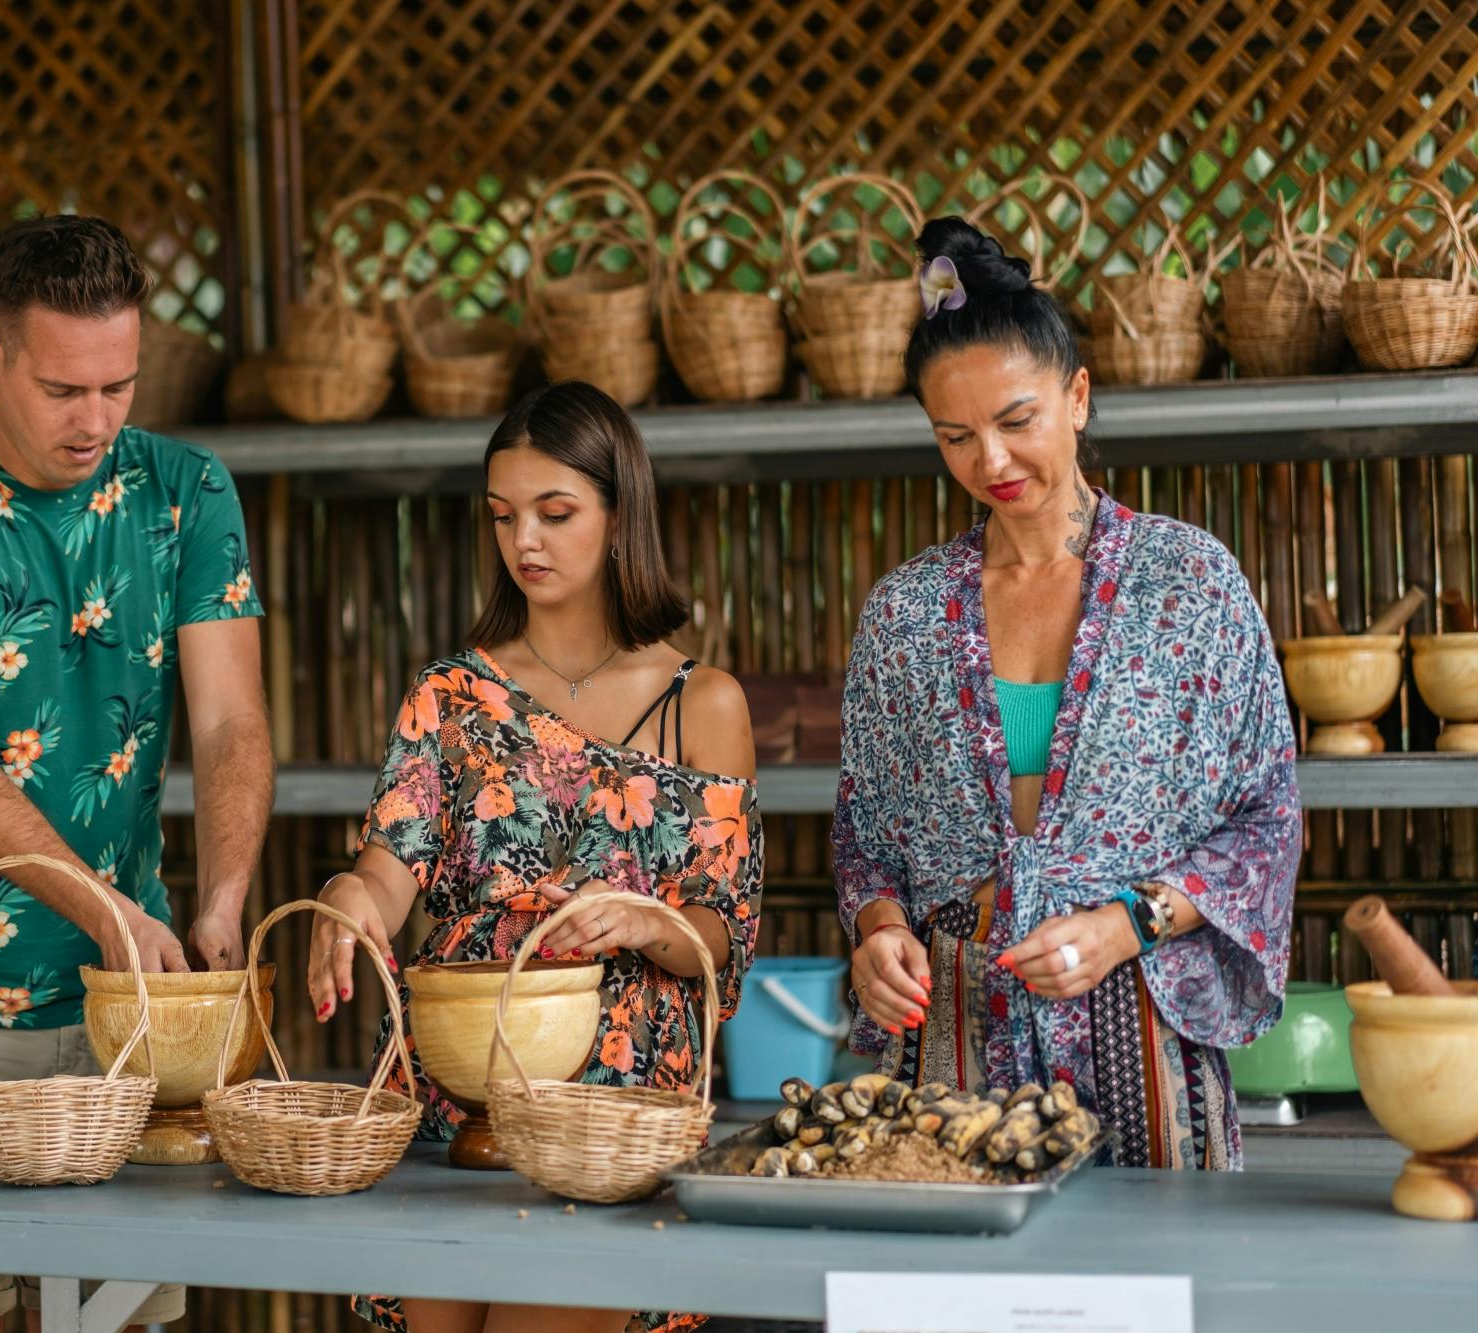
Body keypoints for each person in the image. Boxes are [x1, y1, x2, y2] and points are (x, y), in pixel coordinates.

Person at [0, 214, 274, 1330]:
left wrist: (220, 895)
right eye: (64, 389)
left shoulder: (188, 491)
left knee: (124, 1317)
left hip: (132, 1006)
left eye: (117, 386)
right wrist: (113, 913)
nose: (96, 421)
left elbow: (230, 724)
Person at [836, 217, 1300, 1170]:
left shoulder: (1189, 584)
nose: (991, 463)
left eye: (1017, 422)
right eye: (955, 436)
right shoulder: (906, 613)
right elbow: (865, 833)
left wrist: (1128, 922)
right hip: (952, 1050)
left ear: (1077, 397)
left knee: (1153, 1305)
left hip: (1143, 1033)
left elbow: (1266, 819)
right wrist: (877, 932)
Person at [310, 381, 763, 1333]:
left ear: (619, 511)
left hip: (616, 1105)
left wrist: (653, 920)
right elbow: (390, 864)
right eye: (505, 515)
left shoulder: (702, 702)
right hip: (462, 1086)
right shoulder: (450, 695)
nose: (527, 542)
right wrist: (351, 896)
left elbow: (726, 937)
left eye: (556, 513)